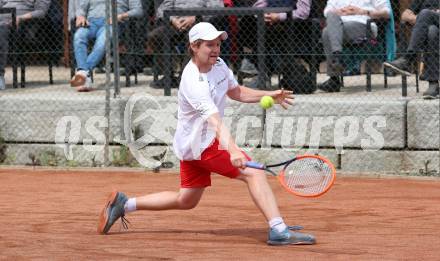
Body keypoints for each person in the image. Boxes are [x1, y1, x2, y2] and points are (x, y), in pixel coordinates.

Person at [98, 22, 316, 246]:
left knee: (186, 200)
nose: (216, 49)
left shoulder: (219, 64)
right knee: (254, 174)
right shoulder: (193, 81)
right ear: (194, 46)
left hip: (192, 145)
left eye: (218, 44)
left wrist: (269, 94)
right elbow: (214, 121)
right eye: (209, 45)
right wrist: (233, 151)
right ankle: (278, 229)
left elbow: (235, 91)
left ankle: (124, 205)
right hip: (202, 145)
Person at [237, 0, 317, 90]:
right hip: (271, 26)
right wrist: (265, 15)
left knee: (267, 33)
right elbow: (259, 5)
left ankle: (257, 70)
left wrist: (279, 17)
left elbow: (303, 13)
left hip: (295, 30)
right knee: (248, 21)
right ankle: (259, 72)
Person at [147, 0, 224, 89]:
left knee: (192, 39)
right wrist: (173, 19)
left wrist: (195, 17)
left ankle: (184, 78)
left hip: (199, 23)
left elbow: (217, 8)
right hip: (175, 23)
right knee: (155, 36)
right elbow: (161, 9)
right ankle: (168, 76)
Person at [318, 0, 391, 92]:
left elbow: (387, 12)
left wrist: (362, 11)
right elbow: (327, 10)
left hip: (363, 24)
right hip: (338, 25)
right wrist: (340, 11)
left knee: (326, 32)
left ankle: (334, 78)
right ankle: (337, 56)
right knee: (329, 21)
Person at [70, 0, 143, 92]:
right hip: (91, 22)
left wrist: (121, 16)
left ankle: (82, 73)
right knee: (79, 36)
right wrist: (80, 16)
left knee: (103, 41)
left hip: (113, 23)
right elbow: (81, 7)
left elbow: (138, 10)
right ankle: (85, 73)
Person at [384, 0, 439, 99]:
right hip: (430, 32)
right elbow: (404, 15)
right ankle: (433, 84)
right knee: (432, 31)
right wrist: (421, 18)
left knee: (425, 13)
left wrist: (424, 16)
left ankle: (408, 59)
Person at [0, 0, 50, 90]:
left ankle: (0, 75)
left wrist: (20, 18)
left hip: (22, 25)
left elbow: (41, 12)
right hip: (2, 19)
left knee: (1, 32)